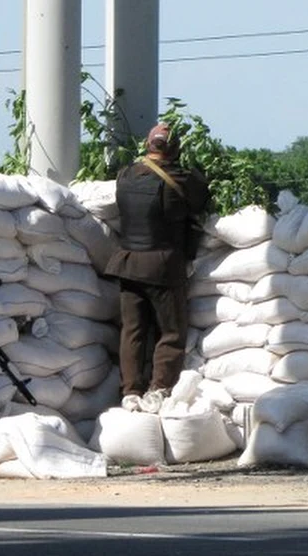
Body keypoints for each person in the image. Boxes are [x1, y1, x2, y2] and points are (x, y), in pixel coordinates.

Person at [106, 122, 210, 414]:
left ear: (149, 145)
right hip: (163, 266)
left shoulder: (125, 176)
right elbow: (201, 197)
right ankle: (159, 389)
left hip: (128, 263)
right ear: (175, 149)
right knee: (171, 332)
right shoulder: (182, 178)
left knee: (132, 330)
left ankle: (130, 391)